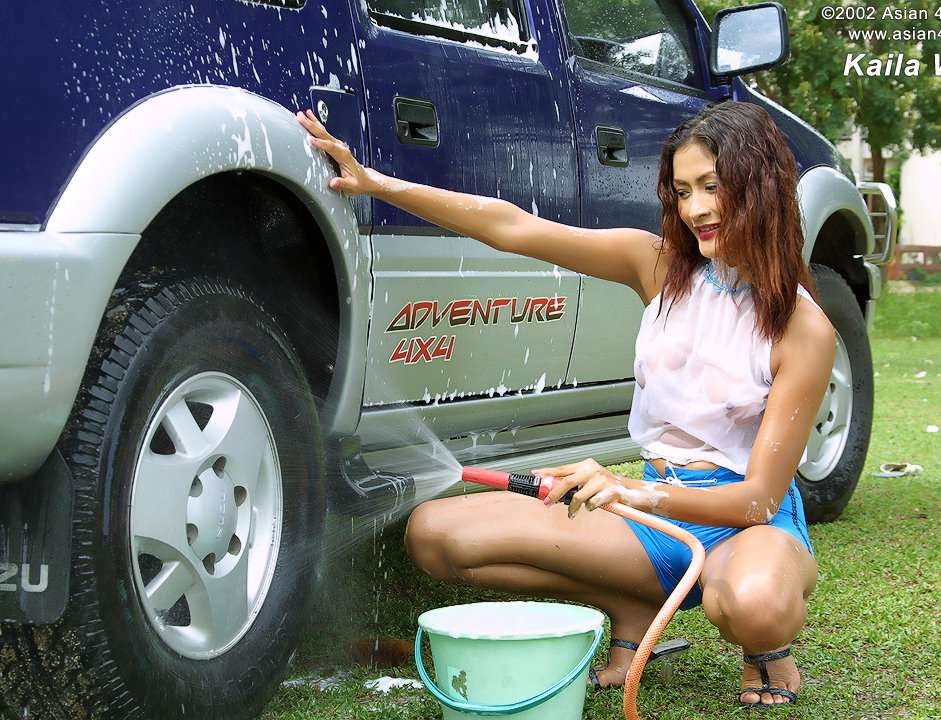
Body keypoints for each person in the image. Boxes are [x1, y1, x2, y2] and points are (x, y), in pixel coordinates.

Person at [297, 100, 834, 708]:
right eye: (683, 192)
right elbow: (512, 227)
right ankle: (630, 602)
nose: (696, 210)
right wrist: (376, 183)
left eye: (713, 187)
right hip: (652, 519)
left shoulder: (803, 328)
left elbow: (758, 498)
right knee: (434, 535)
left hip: (741, 523)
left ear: (759, 186)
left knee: (754, 605)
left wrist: (631, 491)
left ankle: (767, 652)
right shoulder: (656, 265)